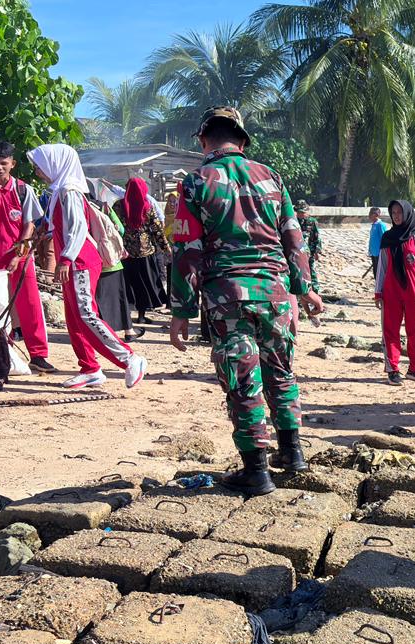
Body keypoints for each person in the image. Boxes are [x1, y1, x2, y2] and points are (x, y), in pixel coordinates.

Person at [169, 106, 323, 496]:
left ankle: (256, 471)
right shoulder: (271, 176)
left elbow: (187, 248)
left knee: (242, 381)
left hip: (228, 296)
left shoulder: (195, 181)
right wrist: (306, 288)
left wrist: (182, 310)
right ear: (241, 139)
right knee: (281, 372)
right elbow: (294, 236)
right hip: (275, 294)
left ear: (204, 139)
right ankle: (292, 453)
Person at [27, 144, 147, 391]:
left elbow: (77, 229)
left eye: (40, 165)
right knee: (74, 316)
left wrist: (66, 259)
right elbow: (60, 226)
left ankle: (129, 358)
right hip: (73, 260)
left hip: (80, 261)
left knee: (85, 313)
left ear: (56, 164)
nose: (38, 171)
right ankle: (89, 368)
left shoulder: (70, 191)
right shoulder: (60, 192)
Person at [0, 141, 54, 374]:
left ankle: (38, 355)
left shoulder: (24, 190)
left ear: (12, 164)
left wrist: (18, 254)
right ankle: (1, 353)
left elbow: (29, 226)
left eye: (3, 163)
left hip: (20, 258)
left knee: (30, 305)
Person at [375, 200, 415, 385]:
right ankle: (393, 370)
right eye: (393, 212)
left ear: (407, 214)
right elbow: (382, 266)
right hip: (391, 293)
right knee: (390, 331)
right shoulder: (387, 238)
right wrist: (378, 292)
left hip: (414, 293)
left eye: (399, 212)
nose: (396, 215)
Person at [86, 189, 139, 342]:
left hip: (95, 262)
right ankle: (129, 331)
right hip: (114, 262)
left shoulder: (82, 210)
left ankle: (106, 332)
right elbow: (121, 230)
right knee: (120, 299)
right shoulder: (104, 208)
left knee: (101, 300)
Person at [114, 177, 169, 324]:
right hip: (145, 253)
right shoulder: (147, 207)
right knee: (144, 284)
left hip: (125, 254)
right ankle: (141, 315)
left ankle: (125, 317)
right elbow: (157, 230)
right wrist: (165, 248)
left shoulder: (118, 206)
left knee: (128, 284)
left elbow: (113, 227)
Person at [295, 201, 322, 294]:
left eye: (303, 212)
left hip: (309, 252)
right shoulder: (293, 221)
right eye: (299, 212)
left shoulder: (312, 222)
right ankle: (299, 293)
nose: (301, 214)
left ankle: (315, 292)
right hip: (295, 253)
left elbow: (317, 237)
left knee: (312, 273)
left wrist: (317, 252)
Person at [366, 206, 387, 279]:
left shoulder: (380, 225)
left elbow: (384, 239)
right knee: (375, 270)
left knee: (380, 271)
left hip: (379, 252)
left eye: (370, 214)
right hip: (373, 252)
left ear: (375, 215)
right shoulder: (373, 225)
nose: (369, 216)